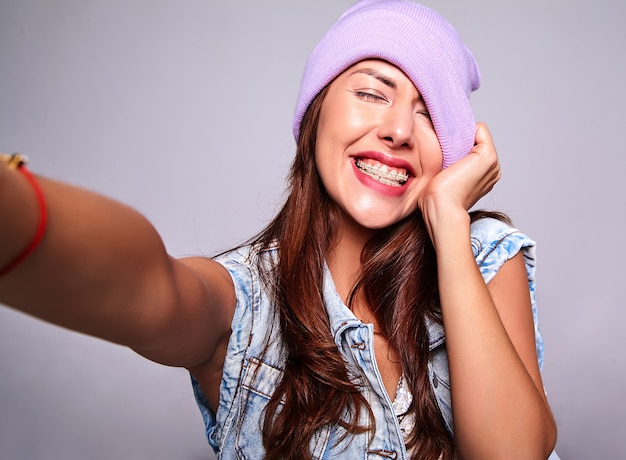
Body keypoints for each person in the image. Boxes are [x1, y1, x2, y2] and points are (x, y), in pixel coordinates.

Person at [0, 0, 558, 458]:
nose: (397, 130)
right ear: (317, 112)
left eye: (430, 114)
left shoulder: (482, 254)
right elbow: (152, 287)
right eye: (371, 92)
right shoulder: (243, 301)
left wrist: (449, 223)